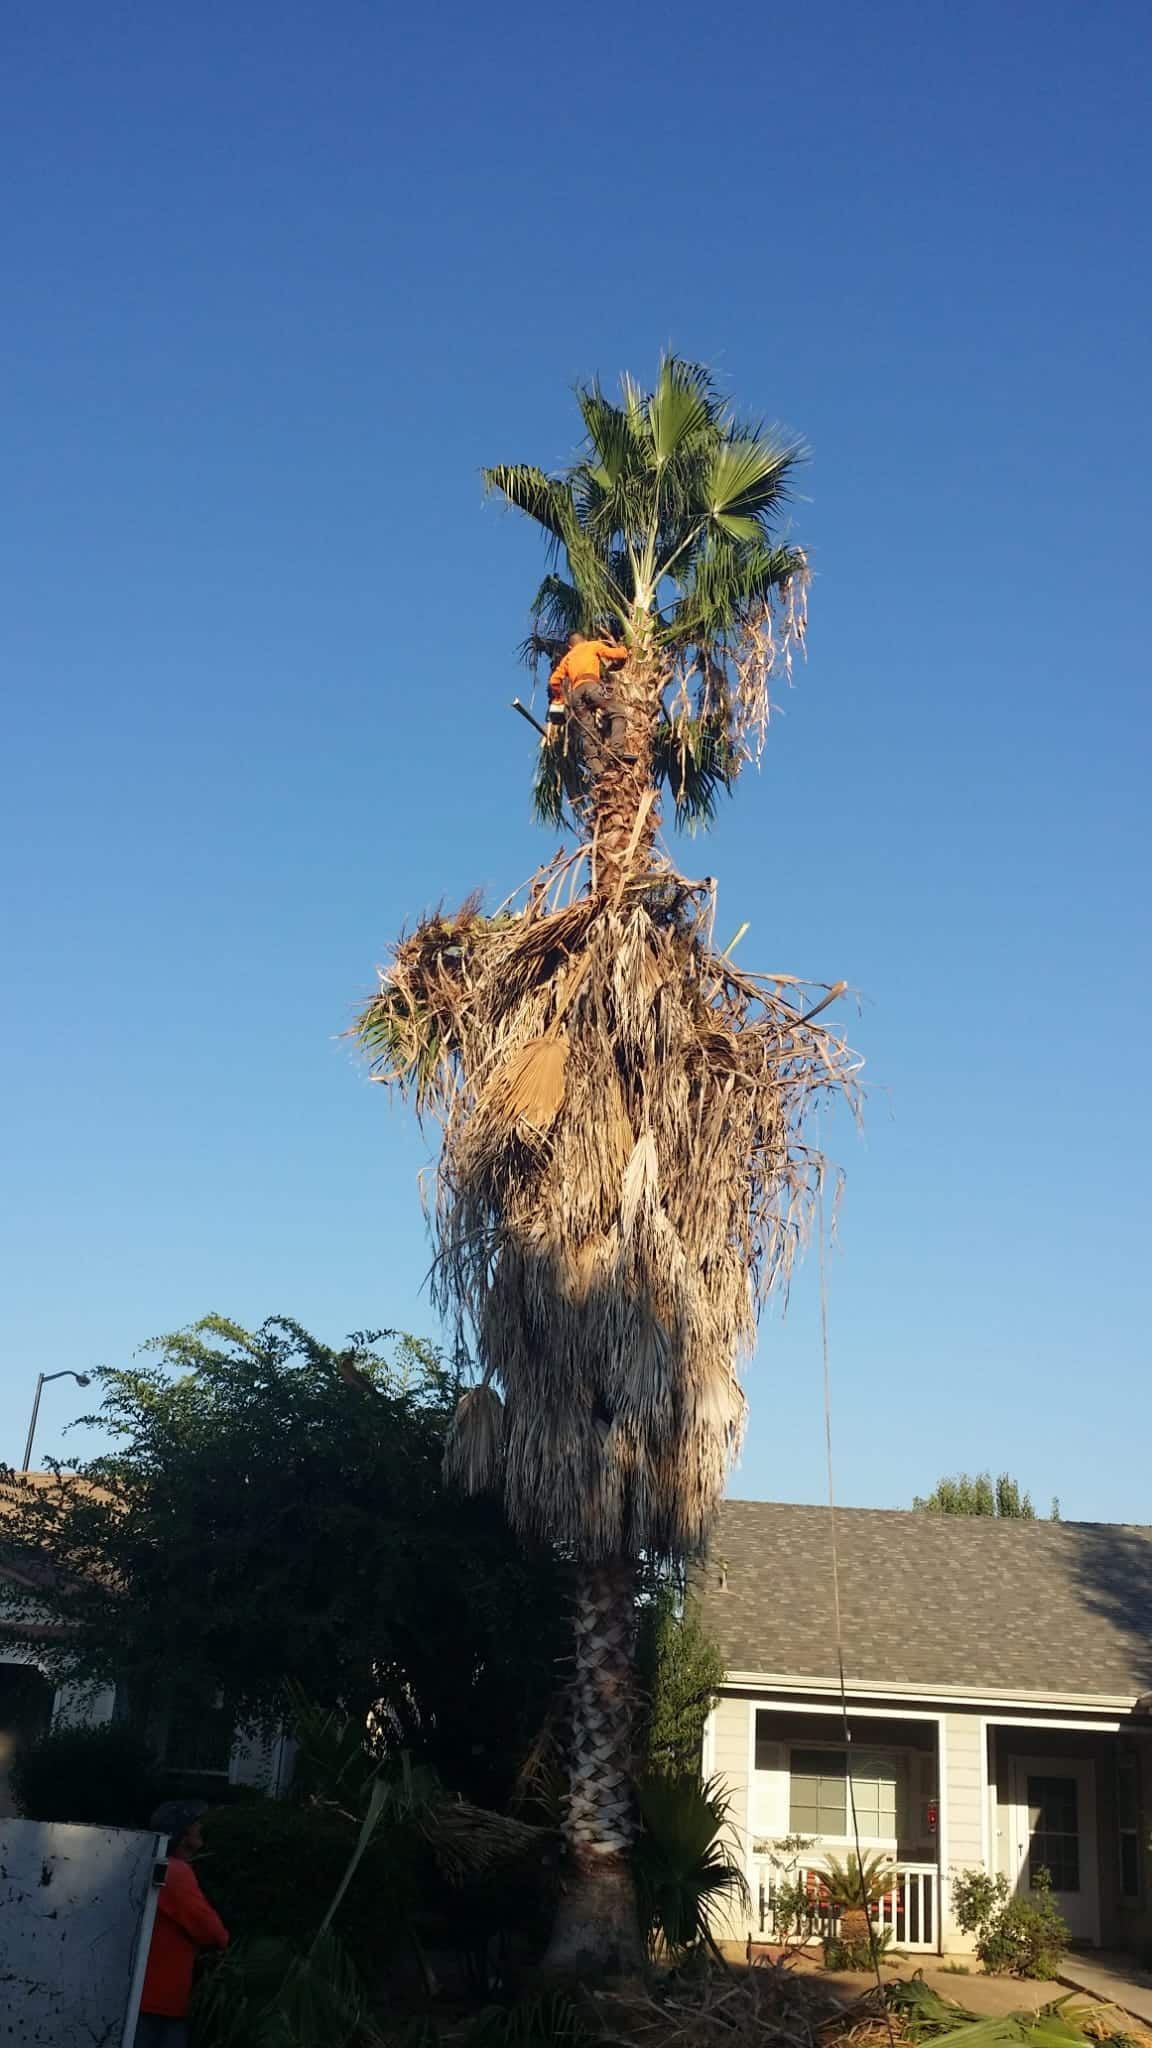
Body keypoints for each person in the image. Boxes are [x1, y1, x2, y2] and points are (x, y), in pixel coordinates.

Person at [136, 1799, 229, 2048]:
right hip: (161, 2001)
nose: (200, 1832)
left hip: (140, 1995)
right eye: (196, 1826)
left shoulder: (145, 1863)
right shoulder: (175, 1872)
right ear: (183, 1833)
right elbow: (211, 1930)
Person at [547, 633, 633, 759]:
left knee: (588, 731)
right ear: (585, 640)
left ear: (570, 647)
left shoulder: (568, 657)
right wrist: (625, 650)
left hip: (576, 696)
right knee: (617, 712)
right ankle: (616, 751)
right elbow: (615, 654)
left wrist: (559, 698)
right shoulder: (592, 645)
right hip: (591, 687)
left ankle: (596, 767)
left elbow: (554, 680)